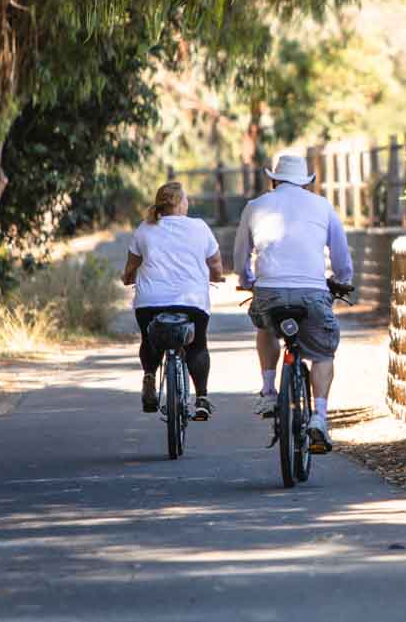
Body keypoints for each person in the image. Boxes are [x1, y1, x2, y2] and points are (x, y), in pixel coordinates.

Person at [229, 152, 354, 453]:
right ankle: (320, 418)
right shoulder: (322, 206)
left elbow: (240, 254)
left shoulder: (255, 206)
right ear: (306, 182)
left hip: (269, 290)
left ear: (273, 179)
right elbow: (340, 254)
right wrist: (342, 279)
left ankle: (269, 390)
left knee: (266, 326)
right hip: (311, 292)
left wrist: (247, 280)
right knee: (323, 353)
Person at [121, 181, 228, 419]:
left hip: (150, 301)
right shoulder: (200, 228)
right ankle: (201, 398)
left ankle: (149, 376)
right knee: (197, 345)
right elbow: (216, 265)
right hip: (191, 301)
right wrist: (217, 277)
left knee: (150, 340)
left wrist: (128, 278)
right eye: (186, 199)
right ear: (180, 204)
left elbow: (131, 267)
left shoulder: (144, 229)